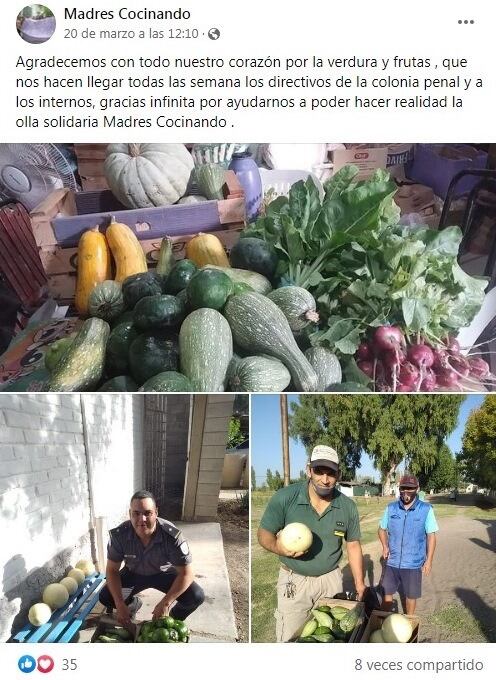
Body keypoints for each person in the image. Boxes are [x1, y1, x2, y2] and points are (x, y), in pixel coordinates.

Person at [257, 445, 366, 642]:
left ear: (338, 474)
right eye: (319, 471)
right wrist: (278, 547)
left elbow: (353, 545)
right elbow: (264, 533)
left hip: (331, 580)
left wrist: (359, 583)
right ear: (309, 470)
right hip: (294, 580)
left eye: (331, 473)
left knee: (332, 637)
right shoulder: (285, 498)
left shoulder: (347, 506)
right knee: (290, 637)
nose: (325, 479)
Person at [99, 490, 205, 626]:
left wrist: (166, 603)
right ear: (130, 514)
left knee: (196, 597)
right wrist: (119, 604)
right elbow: (112, 570)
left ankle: (170, 620)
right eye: (136, 513)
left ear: (156, 512)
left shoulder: (172, 536)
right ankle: (132, 605)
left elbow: (187, 573)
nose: (141, 520)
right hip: (134, 574)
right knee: (106, 597)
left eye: (147, 513)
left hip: (164, 574)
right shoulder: (120, 535)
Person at [378, 474, 438, 615]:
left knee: (411, 596)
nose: (406, 492)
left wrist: (429, 561)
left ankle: (409, 620)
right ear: (399, 489)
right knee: (387, 592)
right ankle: (383, 619)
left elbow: (431, 536)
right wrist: (385, 546)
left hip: (413, 563)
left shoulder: (426, 509)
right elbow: (381, 529)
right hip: (392, 561)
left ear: (417, 489)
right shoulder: (391, 508)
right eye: (404, 488)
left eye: (411, 489)